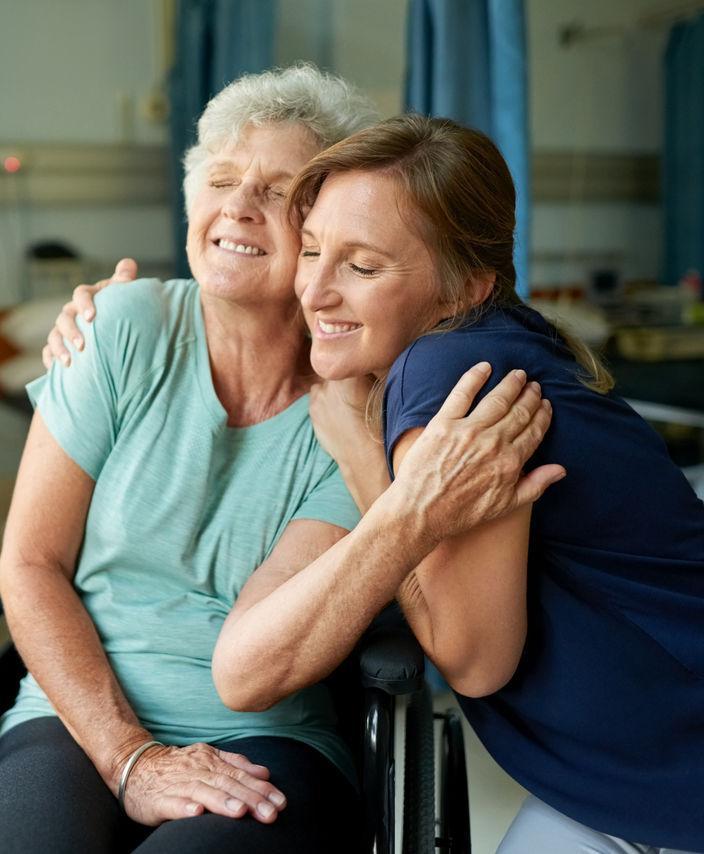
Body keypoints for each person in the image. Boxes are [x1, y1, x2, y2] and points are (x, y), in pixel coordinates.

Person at [48, 113, 704, 854]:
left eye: (362, 267)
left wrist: (363, 457)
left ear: (464, 288)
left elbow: (474, 660)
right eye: (315, 250)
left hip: (674, 757)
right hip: (628, 769)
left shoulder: (446, 377)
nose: (315, 292)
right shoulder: (465, 345)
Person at [0, 66, 562, 854]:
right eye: (221, 179)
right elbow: (29, 563)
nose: (237, 207)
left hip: (267, 739)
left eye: (277, 192)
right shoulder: (115, 330)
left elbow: (269, 659)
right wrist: (129, 756)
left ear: (327, 233)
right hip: (71, 717)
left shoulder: (363, 412)